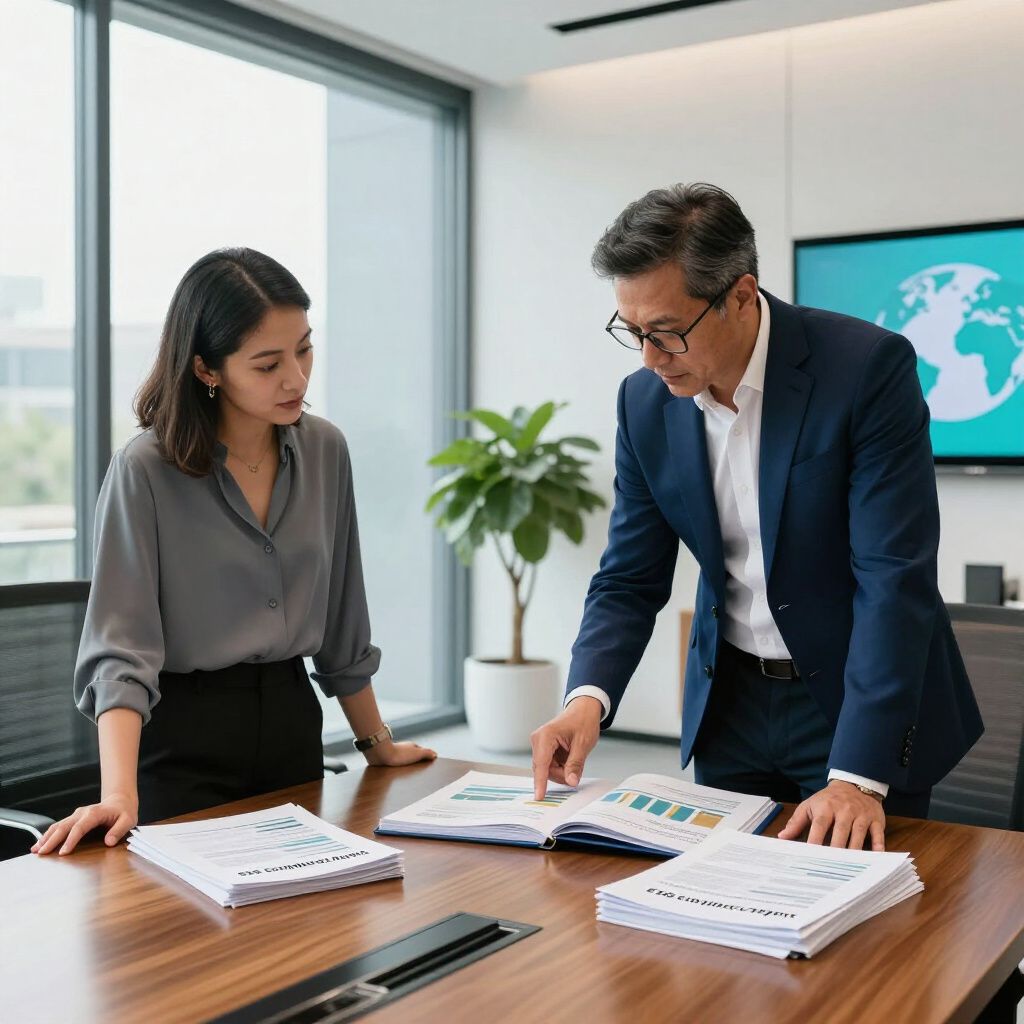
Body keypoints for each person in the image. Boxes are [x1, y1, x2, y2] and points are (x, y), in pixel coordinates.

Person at [531, 183, 983, 851]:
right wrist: (585, 699)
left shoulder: (864, 370)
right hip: (730, 703)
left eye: (667, 333)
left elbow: (894, 579)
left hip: (854, 706)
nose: (651, 359)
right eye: (633, 333)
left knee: (873, 934)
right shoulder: (645, 404)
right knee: (723, 915)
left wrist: (858, 776)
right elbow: (628, 575)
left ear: (740, 295)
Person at [33, 247, 435, 856]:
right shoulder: (146, 469)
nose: (296, 378)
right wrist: (119, 794)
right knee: (189, 936)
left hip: (291, 725)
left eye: (303, 348)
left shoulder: (326, 450)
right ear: (207, 369)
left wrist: (375, 742)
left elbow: (343, 616)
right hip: (182, 741)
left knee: (315, 928)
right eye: (268, 363)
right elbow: (121, 647)